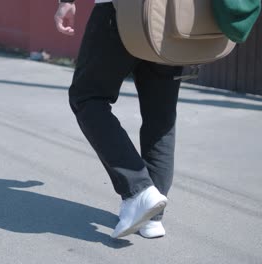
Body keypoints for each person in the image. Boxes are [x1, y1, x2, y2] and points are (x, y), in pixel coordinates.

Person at [54, 0, 184, 239]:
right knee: (161, 115)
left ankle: (140, 191)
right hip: (173, 15)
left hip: (122, 10)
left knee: (87, 98)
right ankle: (151, 218)